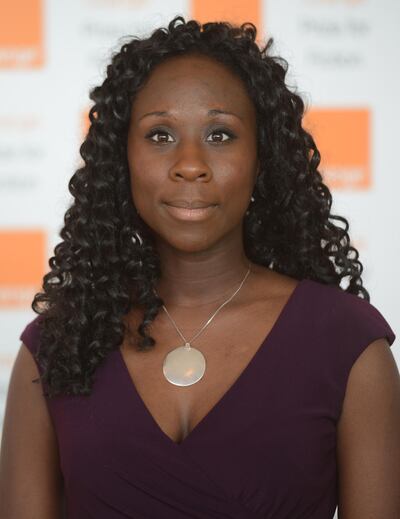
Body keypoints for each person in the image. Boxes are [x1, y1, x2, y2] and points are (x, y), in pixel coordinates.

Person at [0, 15, 399, 519]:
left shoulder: (347, 344)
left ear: (262, 158)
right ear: (122, 160)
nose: (190, 163)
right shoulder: (56, 347)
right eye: (161, 135)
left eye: (220, 135)